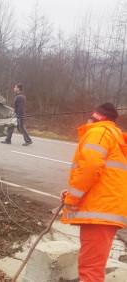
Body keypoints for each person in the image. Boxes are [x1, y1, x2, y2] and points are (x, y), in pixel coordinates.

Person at [61, 103, 127, 282]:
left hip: (100, 211)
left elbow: (90, 167)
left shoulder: (99, 132)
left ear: (100, 118)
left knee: (90, 271)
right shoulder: (113, 135)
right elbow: (105, 175)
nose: (88, 119)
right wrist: (72, 192)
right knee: (92, 267)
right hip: (104, 210)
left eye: (92, 117)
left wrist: (73, 198)